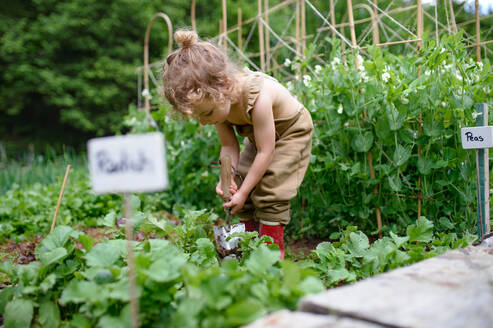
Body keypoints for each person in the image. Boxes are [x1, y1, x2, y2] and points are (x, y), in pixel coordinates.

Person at [162, 30, 313, 259]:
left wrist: (243, 193)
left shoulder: (259, 96)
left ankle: (272, 254)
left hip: (291, 132)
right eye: (198, 117)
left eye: (207, 113)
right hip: (259, 135)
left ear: (223, 85)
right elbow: (228, 147)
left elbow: (266, 151)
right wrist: (230, 179)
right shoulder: (217, 105)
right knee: (243, 178)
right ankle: (248, 246)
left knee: (271, 188)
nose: (204, 122)